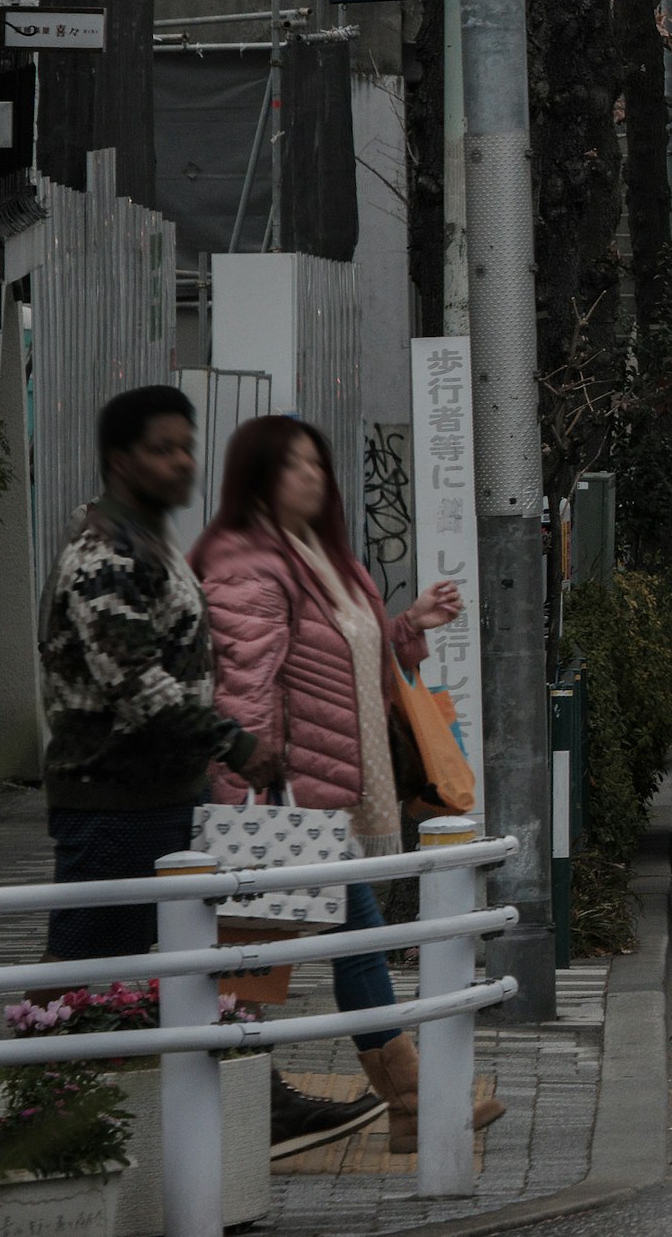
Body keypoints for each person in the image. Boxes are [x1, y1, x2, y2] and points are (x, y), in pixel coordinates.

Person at [41, 387, 366, 1145]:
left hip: (167, 794)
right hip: (111, 798)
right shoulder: (103, 557)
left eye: (188, 445)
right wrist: (239, 742)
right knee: (82, 963)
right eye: (163, 447)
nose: (183, 461)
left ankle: (256, 1102)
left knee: (206, 957)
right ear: (120, 460)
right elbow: (139, 688)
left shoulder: (150, 543)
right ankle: (42, 1112)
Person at [195, 416, 477, 1152]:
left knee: (266, 954)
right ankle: (412, 1099)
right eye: (292, 465)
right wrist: (240, 803)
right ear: (255, 474)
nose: (311, 475)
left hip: (329, 788)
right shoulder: (246, 562)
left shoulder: (315, 551)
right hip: (287, 795)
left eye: (317, 462)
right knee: (309, 944)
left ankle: (403, 1103)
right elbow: (242, 687)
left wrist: (405, 626)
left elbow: (346, 655)